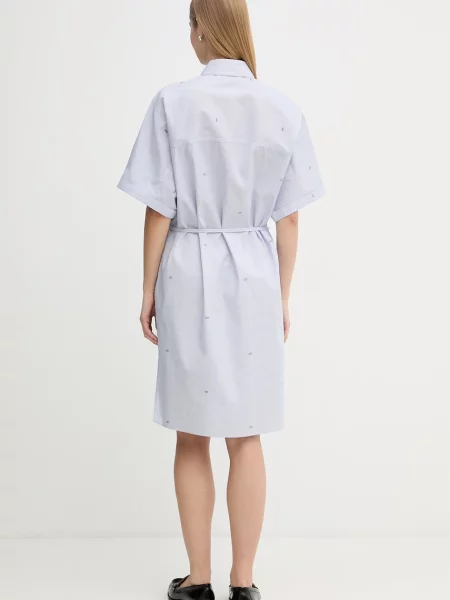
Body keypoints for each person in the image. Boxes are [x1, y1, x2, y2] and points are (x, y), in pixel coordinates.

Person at [117, 1, 325, 598]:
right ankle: (244, 583)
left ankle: (198, 580)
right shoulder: (282, 107)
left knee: (191, 433)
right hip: (255, 275)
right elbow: (290, 219)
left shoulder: (171, 103)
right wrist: (282, 296)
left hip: (188, 269)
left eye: (190, 23)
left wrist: (147, 287)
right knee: (246, 434)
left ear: (202, 28)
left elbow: (159, 207)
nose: (189, 34)